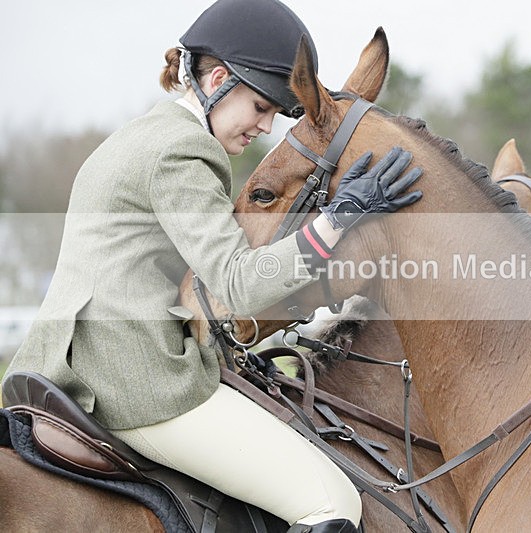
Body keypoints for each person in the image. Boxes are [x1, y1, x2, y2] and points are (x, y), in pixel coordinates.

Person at [1, 0, 422, 531]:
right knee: (333, 503)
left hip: (64, 364)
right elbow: (236, 282)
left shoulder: (137, 136)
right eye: (261, 107)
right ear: (218, 78)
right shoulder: (184, 151)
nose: (266, 127)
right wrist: (338, 219)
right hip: (135, 379)